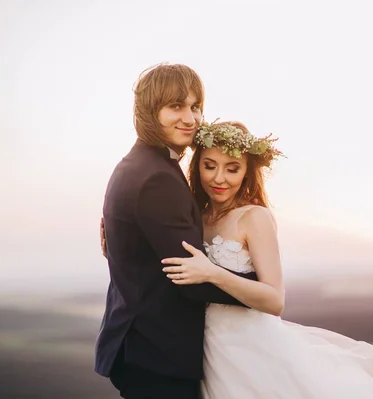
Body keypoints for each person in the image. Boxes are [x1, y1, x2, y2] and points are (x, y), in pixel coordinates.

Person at [158, 120, 373, 398]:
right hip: (208, 351)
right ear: (197, 165)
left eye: (232, 168)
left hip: (253, 351)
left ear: (247, 172)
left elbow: (275, 300)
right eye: (209, 165)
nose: (219, 178)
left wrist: (212, 273)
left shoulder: (254, 217)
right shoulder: (195, 218)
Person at [94, 64, 258, 399]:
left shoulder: (136, 164)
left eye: (195, 106)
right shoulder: (157, 177)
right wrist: (256, 287)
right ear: (149, 111)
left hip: (137, 344)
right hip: (157, 355)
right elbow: (189, 279)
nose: (190, 118)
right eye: (176, 106)